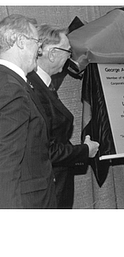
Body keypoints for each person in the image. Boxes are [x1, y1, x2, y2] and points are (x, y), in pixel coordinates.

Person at [27, 24, 99, 208]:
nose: (70, 57)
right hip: (48, 190)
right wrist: (84, 151)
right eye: (68, 51)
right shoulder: (33, 90)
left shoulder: (41, 85)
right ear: (52, 54)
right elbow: (45, 151)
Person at [0, 14, 57, 208]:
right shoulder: (11, 89)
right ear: (21, 42)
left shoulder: (9, 82)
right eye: (37, 42)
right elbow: (6, 162)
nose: (40, 50)